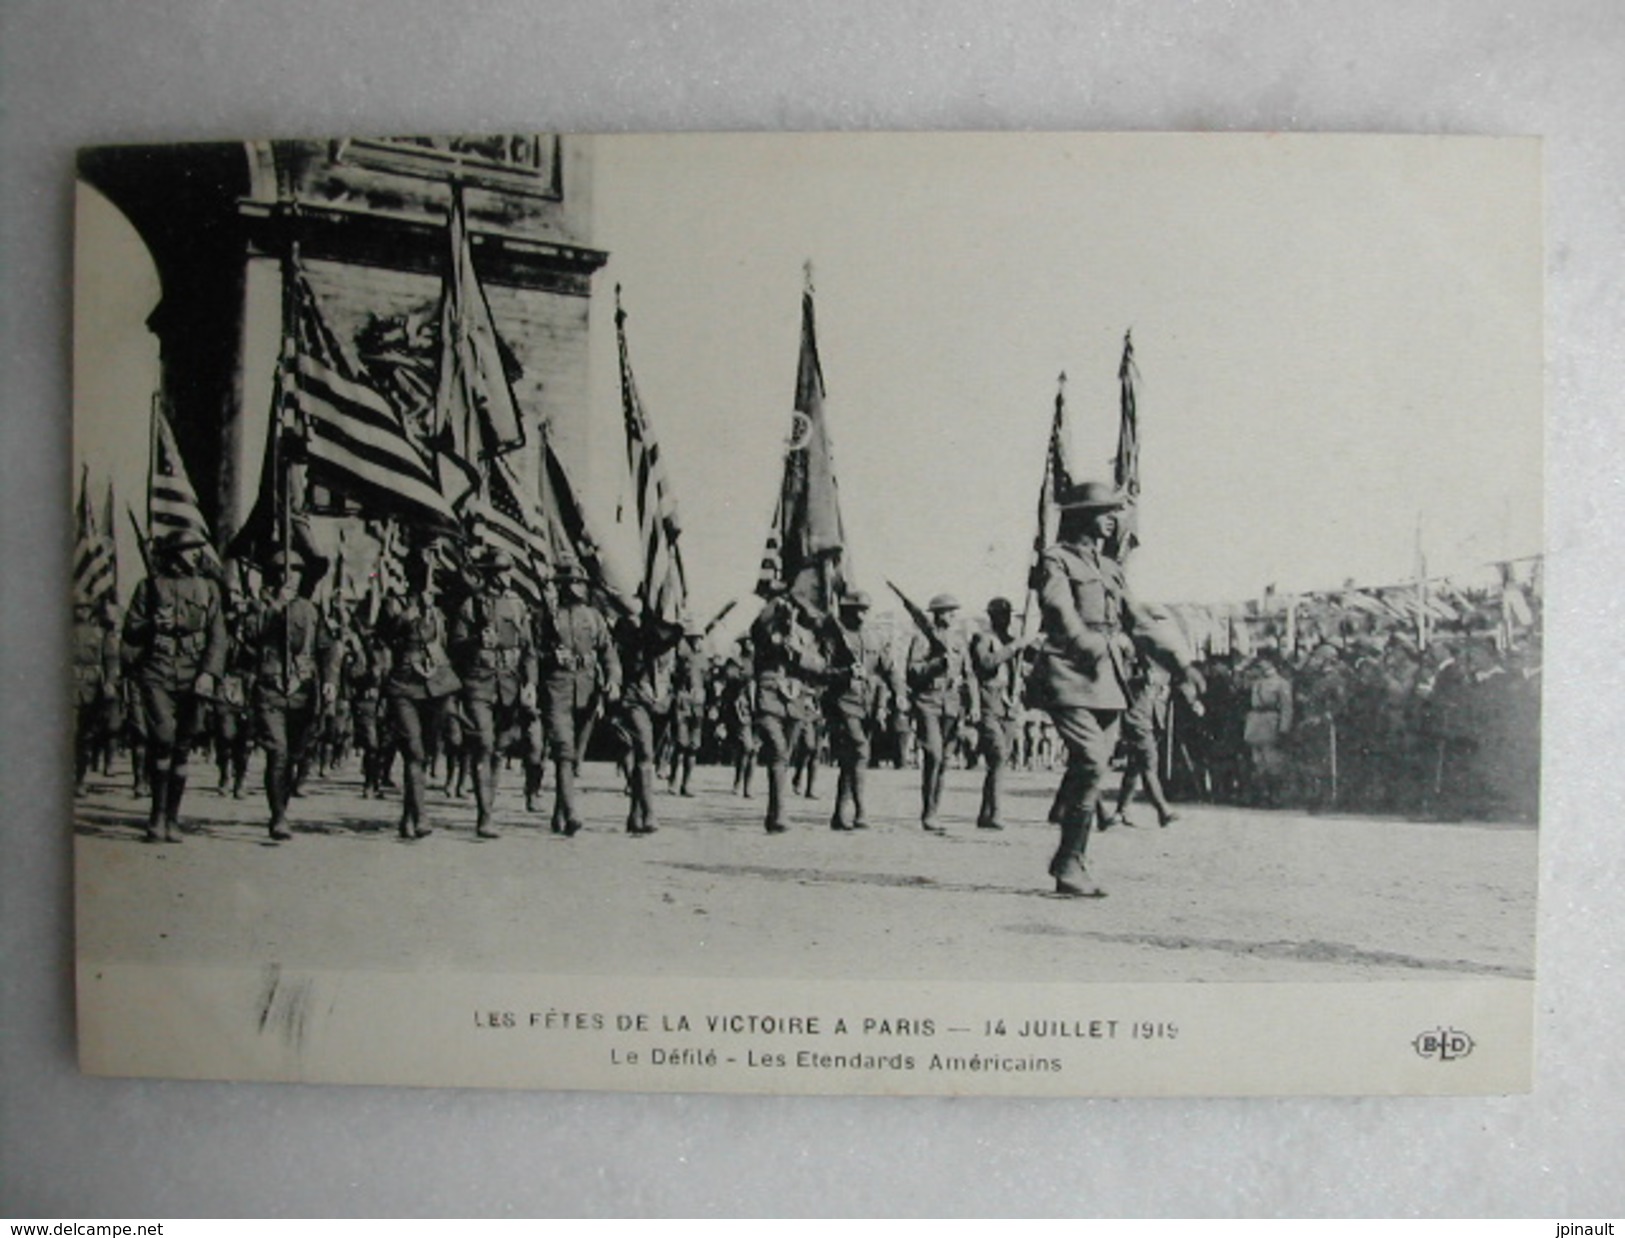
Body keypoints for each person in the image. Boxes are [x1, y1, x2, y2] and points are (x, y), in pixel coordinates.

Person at [1027, 481, 1202, 896]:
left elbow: (1138, 622)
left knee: (1094, 768)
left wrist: (1181, 663)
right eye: (1106, 510)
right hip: (1068, 671)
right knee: (1089, 759)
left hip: (1108, 679)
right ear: (1083, 515)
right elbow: (1057, 608)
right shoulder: (1056, 560)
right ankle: (1069, 861)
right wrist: (1088, 643)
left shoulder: (1110, 568)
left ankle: (1072, 860)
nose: (1114, 518)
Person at [120, 529, 228, 843]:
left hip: (195, 673)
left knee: (182, 746)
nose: (196, 553)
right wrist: (153, 622)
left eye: (198, 548)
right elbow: (130, 630)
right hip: (158, 670)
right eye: (190, 548)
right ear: (175, 553)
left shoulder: (209, 588)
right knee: (162, 738)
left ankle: (172, 818)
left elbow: (218, 636)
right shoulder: (148, 587)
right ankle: (156, 815)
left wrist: (209, 672)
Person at [247, 548, 339, 841]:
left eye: (298, 572)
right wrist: (275, 609)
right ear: (275, 577)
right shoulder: (259, 606)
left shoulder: (310, 610)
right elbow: (249, 637)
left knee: (296, 753)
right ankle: (278, 817)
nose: (293, 578)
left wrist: (330, 680)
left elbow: (327, 647)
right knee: (278, 751)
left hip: (303, 689)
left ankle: (282, 806)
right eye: (287, 572)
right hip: (270, 688)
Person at [450, 548, 537, 840]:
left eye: (508, 570)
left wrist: (530, 683)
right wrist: (476, 640)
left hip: (509, 684)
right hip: (479, 682)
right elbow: (455, 645)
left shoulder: (518, 606)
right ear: (489, 574)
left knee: (499, 748)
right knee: (484, 744)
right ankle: (484, 816)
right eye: (501, 571)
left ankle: (490, 807)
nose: (507, 576)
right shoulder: (471, 605)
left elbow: (529, 651)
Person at [375, 546, 460, 840]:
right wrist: (407, 617)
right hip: (404, 684)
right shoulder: (393, 603)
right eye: (423, 572)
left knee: (425, 751)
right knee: (413, 750)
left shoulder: (437, 608)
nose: (428, 579)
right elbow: (383, 635)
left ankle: (408, 815)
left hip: (435, 685)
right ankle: (421, 816)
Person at [531, 556, 620, 836]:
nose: (574, 588)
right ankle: (570, 812)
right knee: (563, 750)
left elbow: (609, 654)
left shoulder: (594, 618)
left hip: (587, 692)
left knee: (572, 757)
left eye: (578, 583)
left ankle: (559, 812)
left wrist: (614, 680)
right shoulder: (547, 617)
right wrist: (548, 659)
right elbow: (531, 653)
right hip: (557, 687)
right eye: (568, 583)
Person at [749, 584, 827, 833]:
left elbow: (819, 664)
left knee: (787, 755)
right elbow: (758, 627)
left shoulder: (806, 635)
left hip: (795, 698)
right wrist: (777, 599)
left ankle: (774, 814)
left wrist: (799, 655)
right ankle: (779, 812)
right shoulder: (766, 629)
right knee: (778, 750)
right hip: (769, 694)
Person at [905, 593, 979, 833]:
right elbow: (913, 672)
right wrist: (937, 664)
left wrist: (974, 704)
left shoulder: (958, 641)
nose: (953, 616)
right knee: (934, 755)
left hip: (952, 703)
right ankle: (928, 813)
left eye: (954, 612)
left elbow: (969, 675)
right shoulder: (922, 639)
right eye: (948, 612)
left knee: (944, 761)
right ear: (937, 614)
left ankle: (933, 812)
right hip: (928, 701)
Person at [821, 590, 885, 830]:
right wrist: (845, 673)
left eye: (866, 610)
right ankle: (860, 811)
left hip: (866, 704)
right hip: (842, 702)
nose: (864, 614)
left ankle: (839, 814)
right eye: (859, 609)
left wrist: (895, 695)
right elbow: (821, 672)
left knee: (850, 760)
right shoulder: (834, 638)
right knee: (860, 751)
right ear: (847, 611)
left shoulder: (873, 638)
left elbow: (885, 670)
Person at [969, 596, 1034, 831]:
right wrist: (1014, 647)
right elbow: (986, 663)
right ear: (991, 616)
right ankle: (996, 812)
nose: (1004, 620)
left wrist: (1030, 644)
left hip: (1009, 704)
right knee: (996, 755)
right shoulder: (983, 639)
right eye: (1000, 615)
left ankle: (985, 813)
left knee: (1001, 759)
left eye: (1007, 615)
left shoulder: (1012, 641)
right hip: (989, 702)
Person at [72, 598, 120, 794]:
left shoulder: (100, 633)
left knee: (85, 737)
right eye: (77, 607)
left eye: (85, 607)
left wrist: (109, 682)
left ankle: (80, 778)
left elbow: (111, 659)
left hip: (92, 690)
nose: (81, 611)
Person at [1243, 649, 1293, 807]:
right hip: (1255, 721)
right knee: (1257, 761)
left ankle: (1274, 796)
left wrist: (1284, 727)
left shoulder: (1281, 683)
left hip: (1271, 720)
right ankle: (1260, 795)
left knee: (1272, 761)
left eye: (1263, 661)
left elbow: (1287, 707)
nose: (1260, 664)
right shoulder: (1257, 682)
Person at [668, 621, 709, 797]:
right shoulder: (680, 655)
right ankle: (673, 780)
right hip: (682, 702)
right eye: (696, 639)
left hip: (698, 705)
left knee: (694, 746)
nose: (699, 642)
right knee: (680, 743)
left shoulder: (703, 659)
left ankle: (686, 784)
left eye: (701, 638)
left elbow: (708, 681)